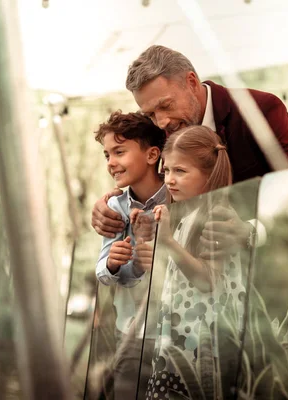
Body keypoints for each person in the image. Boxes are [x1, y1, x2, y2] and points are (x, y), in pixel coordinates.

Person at [91, 45, 288, 255]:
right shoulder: (161, 129)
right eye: (150, 114)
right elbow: (146, 176)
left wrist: (250, 231)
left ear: (191, 82)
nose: (161, 122)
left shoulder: (260, 109)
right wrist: (111, 205)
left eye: (166, 106)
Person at [144, 125, 246, 399]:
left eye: (180, 171)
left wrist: (167, 242)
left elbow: (208, 280)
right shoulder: (188, 215)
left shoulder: (217, 215)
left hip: (201, 346)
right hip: (180, 339)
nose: (169, 180)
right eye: (166, 171)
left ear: (209, 174)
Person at [93, 110, 166, 399]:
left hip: (176, 333)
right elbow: (102, 273)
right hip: (131, 334)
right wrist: (112, 264)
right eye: (107, 155)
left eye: (119, 152)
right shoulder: (114, 208)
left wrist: (158, 259)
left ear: (151, 155)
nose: (111, 163)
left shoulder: (179, 198)